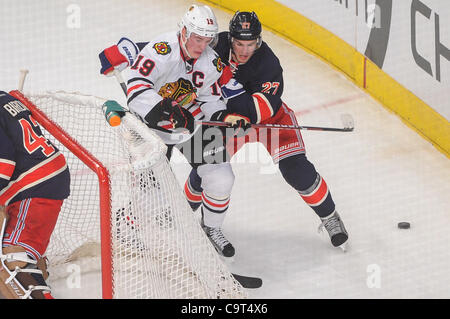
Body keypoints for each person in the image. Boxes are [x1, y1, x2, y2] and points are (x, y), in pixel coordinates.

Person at [186, 11, 349, 251]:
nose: (244, 51)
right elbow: (177, 55)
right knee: (207, 169)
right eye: (239, 43)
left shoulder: (268, 63)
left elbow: (261, 109)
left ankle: (330, 217)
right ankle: (181, 215)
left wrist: (230, 99)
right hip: (226, 120)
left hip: (271, 120)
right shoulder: (214, 46)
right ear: (230, 39)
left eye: (250, 44)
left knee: (298, 172)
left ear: (258, 41)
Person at [99, 5, 250, 257]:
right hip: (147, 128)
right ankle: (124, 226)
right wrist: (167, 110)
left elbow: (209, 99)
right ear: (183, 31)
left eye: (207, 39)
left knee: (222, 178)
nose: (201, 45)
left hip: (190, 124)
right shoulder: (162, 50)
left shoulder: (210, 61)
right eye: (197, 38)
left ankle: (211, 228)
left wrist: (226, 115)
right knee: (153, 198)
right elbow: (136, 91)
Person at [0, 91, 71, 299]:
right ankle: (35, 267)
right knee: (22, 246)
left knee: (11, 257)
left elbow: (3, 162)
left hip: (34, 183)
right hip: (42, 175)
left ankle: (32, 280)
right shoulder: (4, 96)